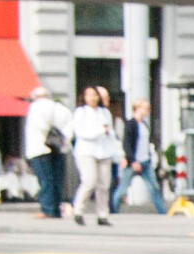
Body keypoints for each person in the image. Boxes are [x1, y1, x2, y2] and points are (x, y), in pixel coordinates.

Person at [68, 85, 121, 225]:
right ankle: (78, 210)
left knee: (104, 184)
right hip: (86, 152)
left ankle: (102, 215)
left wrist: (118, 152)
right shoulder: (80, 112)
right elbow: (81, 133)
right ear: (84, 97)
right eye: (89, 95)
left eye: (95, 95)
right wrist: (100, 131)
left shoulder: (104, 113)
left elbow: (111, 134)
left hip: (104, 151)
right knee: (89, 181)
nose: (93, 98)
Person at [22, 85, 69, 219]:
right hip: (58, 148)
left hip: (39, 148)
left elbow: (38, 127)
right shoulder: (59, 107)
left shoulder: (35, 108)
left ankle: (47, 209)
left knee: (45, 180)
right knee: (57, 181)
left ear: (35, 97)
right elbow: (69, 125)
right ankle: (56, 209)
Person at [113, 99, 164, 214]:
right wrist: (132, 160)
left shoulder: (144, 125)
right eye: (146, 108)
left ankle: (162, 212)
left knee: (153, 188)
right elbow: (127, 144)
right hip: (133, 161)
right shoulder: (131, 124)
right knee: (123, 189)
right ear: (138, 108)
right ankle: (113, 211)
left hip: (145, 160)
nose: (147, 111)